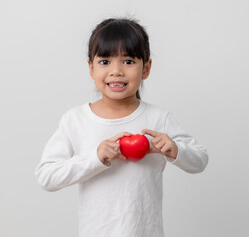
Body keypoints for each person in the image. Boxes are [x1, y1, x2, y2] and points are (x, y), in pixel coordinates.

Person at [34, 17, 208, 237]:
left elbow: (200, 161)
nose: (116, 71)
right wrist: (95, 158)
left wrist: (175, 150)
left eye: (128, 61)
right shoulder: (75, 119)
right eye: (105, 61)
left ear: (146, 68)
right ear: (91, 68)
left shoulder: (159, 118)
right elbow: (46, 176)